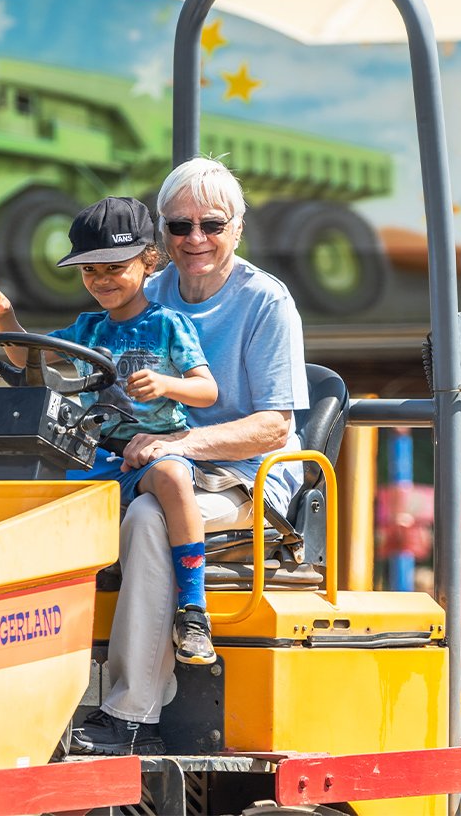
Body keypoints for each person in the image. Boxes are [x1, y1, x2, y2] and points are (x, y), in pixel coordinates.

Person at [64, 157, 310, 757]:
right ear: (159, 238)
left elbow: (274, 427)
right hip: (152, 462)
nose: (195, 238)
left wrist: (177, 445)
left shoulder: (265, 302)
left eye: (212, 224)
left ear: (238, 229)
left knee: (150, 518)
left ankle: (131, 713)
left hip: (247, 474)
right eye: (179, 226)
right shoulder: (148, 291)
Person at [0, 196, 223, 667]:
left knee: (173, 478)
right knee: (8, 477)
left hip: (149, 452)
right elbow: (31, 360)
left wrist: (168, 383)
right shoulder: (87, 328)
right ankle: (6, 608)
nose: (101, 280)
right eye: (89, 272)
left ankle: (192, 608)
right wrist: (5, 318)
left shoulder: (169, 325)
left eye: (113, 267)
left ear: (148, 262)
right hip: (91, 450)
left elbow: (206, 391)